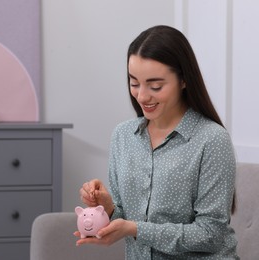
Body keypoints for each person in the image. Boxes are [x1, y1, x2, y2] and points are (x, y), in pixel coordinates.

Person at [75, 25, 238, 259]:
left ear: (183, 80)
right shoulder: (123, 136)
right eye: (134, 83)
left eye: (155, 86)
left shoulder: (211, 140)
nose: (142, 96)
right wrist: (108, 208)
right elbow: (126, 217)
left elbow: (212, 234)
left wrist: (135, 229)